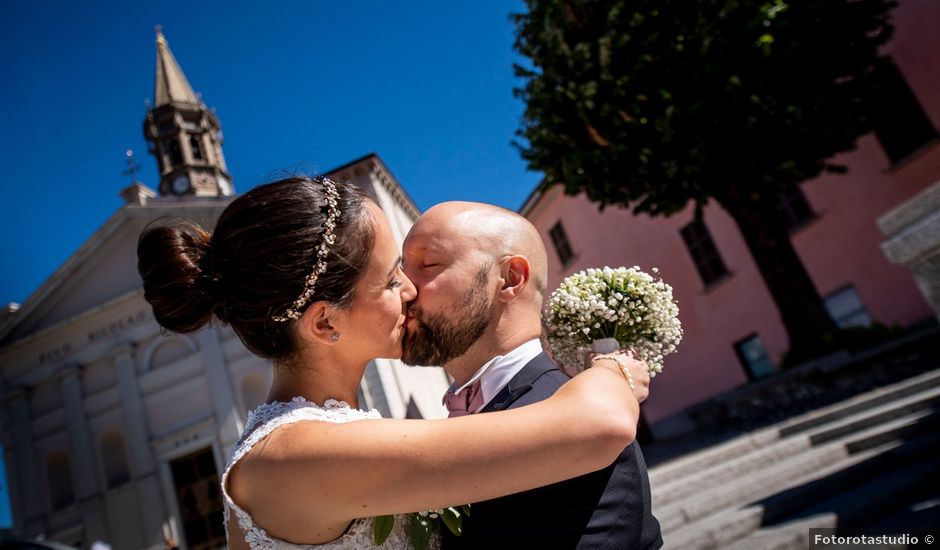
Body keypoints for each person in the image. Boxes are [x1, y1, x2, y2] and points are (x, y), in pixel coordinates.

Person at [137, 176, 651, 549]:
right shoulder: (295, 455)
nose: (409, 291)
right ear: (324, 324)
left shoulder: (327, 437)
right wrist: (612, 365)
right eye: (389, 279)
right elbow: (600, 423)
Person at [402, 202, 663, 549]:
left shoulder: (581, 429)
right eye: (402, 270)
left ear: (510, 279)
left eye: (428, 264)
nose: (404, 288)